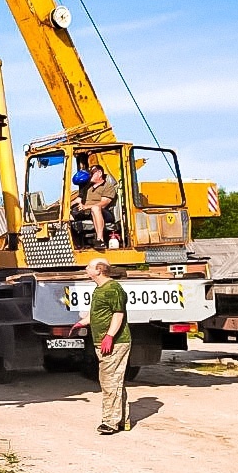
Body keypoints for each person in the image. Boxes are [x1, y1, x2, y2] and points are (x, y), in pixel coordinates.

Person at [71, 258, 131, 434]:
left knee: (109, 381)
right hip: (102, 341)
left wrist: (110, 336)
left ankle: (110, 422)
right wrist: (81, 323)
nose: (86, 269)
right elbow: (98, 314)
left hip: (116, 343)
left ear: (99, 270)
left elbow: (118, 315)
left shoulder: (113, 289)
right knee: (115, 380)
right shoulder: (99, 289)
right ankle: (123, 421)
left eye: (89, 267)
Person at [71, 164, 117, 249]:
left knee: (95, 208)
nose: (89, 175)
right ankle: (74, 244)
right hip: (86, 211)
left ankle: (100, 240)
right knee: (67, 215)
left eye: (92, 173)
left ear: (99, 173)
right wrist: (67, 206)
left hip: (103, 212)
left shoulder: (107, 186)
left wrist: (87, 207)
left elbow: (104, 203)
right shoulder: (87, 187)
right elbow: (78, 199)